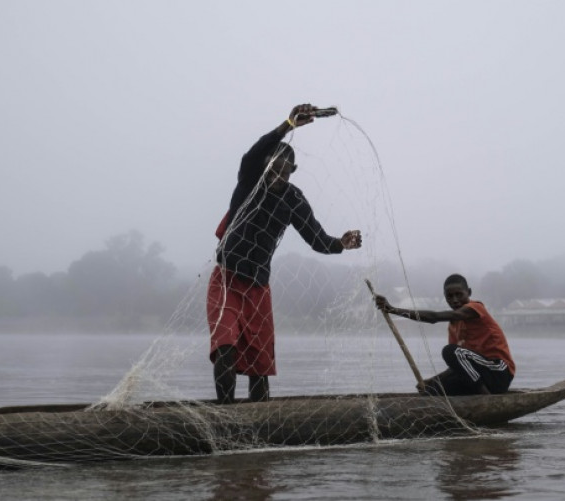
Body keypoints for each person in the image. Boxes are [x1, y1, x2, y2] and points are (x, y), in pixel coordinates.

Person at [207, 103, 363, 405]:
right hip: (226, 280)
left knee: (260, 362)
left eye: (283, 170)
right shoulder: (250, 182)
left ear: (292, 171)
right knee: (225, 347)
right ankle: (224, 416)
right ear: (264, 167)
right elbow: (251, 155)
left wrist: (340, 244)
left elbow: (317, 239)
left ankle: (260, 420)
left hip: (259, 287)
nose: (277, 175)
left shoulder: (293, 199)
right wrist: (288, 125)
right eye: (271, 168)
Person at [373, 274, 515, 396]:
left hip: (499, 373)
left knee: (449, 351)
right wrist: (433, 380)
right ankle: (476, 397)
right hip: (480, 376)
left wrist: (393, 310)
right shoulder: (453, 326)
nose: (454, 300)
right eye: (450, 296)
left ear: (469, 292)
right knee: (432, 390)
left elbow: (434, 317)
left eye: (459, 294)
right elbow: (459, 365)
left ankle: (486, 398)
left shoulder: (474, 308)